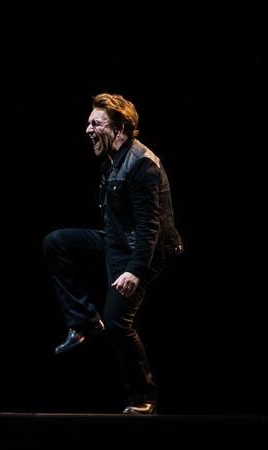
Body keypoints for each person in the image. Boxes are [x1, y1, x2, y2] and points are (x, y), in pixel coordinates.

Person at [42, 93, 183, 415]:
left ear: (119, 127)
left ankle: (143, 398)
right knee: (57, 241)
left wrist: (134, 271)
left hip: (146, 249)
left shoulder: (141, 165)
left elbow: (150, 226)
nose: (88, 129)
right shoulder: (113, 158)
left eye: (96, 123)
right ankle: (85, 322)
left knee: (119, 323)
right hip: (119, 241)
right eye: (89, 122)